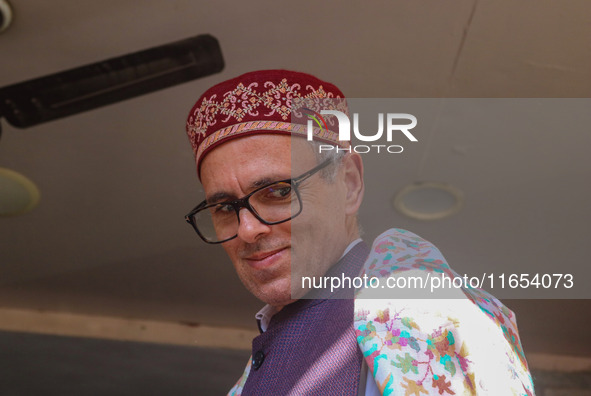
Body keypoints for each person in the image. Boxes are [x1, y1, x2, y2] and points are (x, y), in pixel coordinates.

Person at [184, 70, 535, 395]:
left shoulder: (410, 299)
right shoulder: (250, 376)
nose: (248, 229)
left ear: (349, 184)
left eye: (278, 191)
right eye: (226, 208)